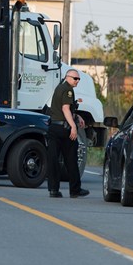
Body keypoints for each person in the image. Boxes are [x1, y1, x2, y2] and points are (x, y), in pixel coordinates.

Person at [47, 69, 90, 198]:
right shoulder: (68, 90)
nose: (77, 81)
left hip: (54, 127)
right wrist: (73, 127)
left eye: (78, 79)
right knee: (71, 159)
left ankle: (53, 190)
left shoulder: (59, 88)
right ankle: (75, 189)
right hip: (64, 130)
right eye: (75, 78)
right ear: (67, 77)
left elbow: (63, 110)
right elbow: (65, 109)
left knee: (53, 159)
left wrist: (76, 116)